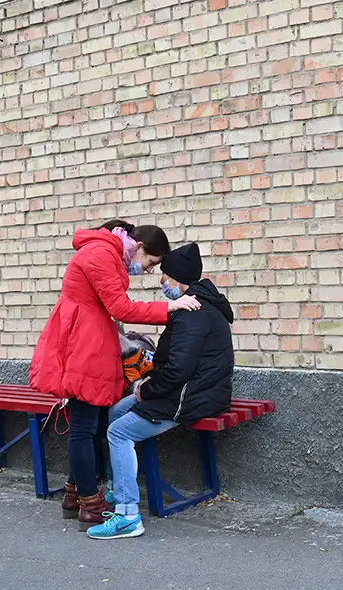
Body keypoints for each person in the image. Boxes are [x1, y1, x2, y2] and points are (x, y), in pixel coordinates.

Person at [29, 220, 201, 531]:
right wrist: (170, 307)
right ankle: (89, 506)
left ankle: (75, 495)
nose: (148, 270)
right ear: (141, 248)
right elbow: (121, 308)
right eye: (151, 262)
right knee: (83, 425)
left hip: (88, 340)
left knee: (91, 422)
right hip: (83, 343)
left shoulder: (105, 252)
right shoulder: (101, 254)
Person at [87, 243, 235, 540]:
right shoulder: (200, 304)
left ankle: (128, 516)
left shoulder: (192, 312)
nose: (162, 282)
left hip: (189, 399)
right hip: (199, 392)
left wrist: (148, 390)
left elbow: (179, 370)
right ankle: (118, 492)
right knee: (117, 410)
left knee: (118, 432)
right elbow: (177, 363)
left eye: (164, 276)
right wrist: (147, 384)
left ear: (179, 279)